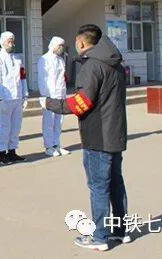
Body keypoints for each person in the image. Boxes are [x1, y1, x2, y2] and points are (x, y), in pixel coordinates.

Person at [42, 25, 129, 251]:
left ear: (81, 43)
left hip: (98, 135)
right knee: (116, 183)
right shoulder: (116, 65)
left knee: (99, 187)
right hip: (115, 133)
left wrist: (50, 104)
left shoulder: (92, 66)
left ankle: (100, 236)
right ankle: (120, 231)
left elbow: (82, 102)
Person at [0, 31, 28, 165]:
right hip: (5, 99)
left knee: (16, 127)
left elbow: (23, 78)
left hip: (18, 98)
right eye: (8, 41)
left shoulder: (18, 60)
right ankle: (1, 153)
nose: (11, 44)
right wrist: (1, 98)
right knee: (4, 127)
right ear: (2, 42)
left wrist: (25, 95)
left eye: (12, 41)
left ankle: (12, 151)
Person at [38, 36, 70, 157]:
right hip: (50, 96)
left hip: (60, 95)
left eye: (62, 46)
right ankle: (49, 146)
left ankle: (57, 144)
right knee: (48, 122)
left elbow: (62, 79)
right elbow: (42, 79)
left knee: (58, 122)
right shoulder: (44, 59)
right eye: (59, 46)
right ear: (53, 45)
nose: (61, 48)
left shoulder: (61, 60)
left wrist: (64, 94)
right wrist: (45, 96)